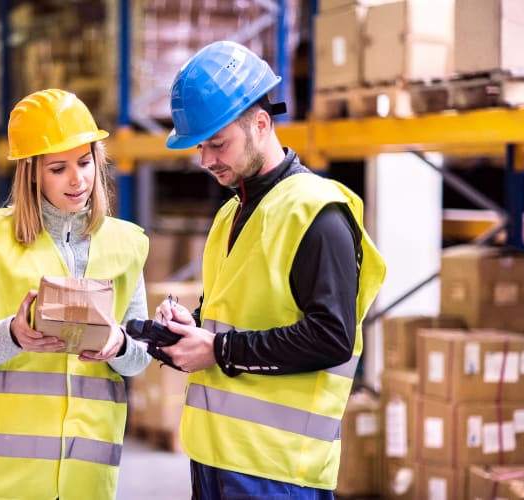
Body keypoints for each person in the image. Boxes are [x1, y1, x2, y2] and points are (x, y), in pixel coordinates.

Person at [154, 41, 387, 499]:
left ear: (261, 124)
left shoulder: (316, 213)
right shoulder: (230, 215)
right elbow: (235, 316)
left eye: (217, 144)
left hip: (278, 472)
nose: (206, 160)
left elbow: (331, 338)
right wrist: (191, 328)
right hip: (214, 458)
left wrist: (218, 349)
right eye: (200, 146)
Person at [0, 88, 151, 500]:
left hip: (87, 477)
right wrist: (13, 335)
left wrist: (120, 345)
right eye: (58, 168)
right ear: (32, 172)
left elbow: (140, 358)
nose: (78, 179)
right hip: (6, 477)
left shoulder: (125, 245)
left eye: (85, 162)